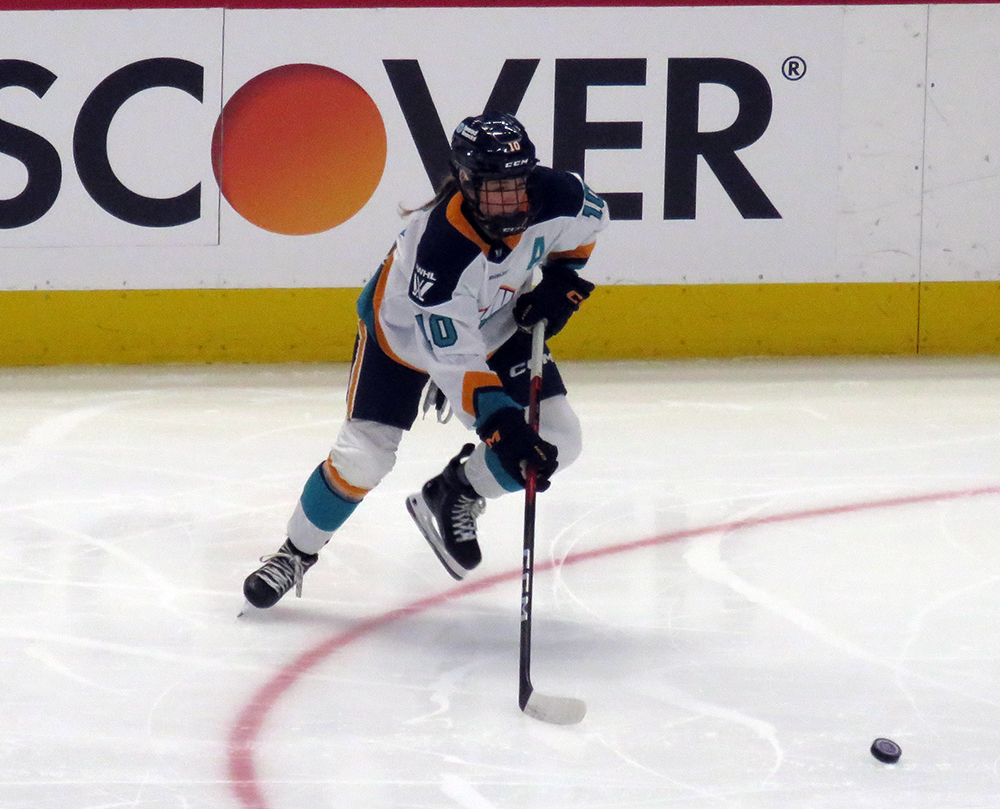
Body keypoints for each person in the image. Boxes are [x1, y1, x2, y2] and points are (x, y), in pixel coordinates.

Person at [242, 111, 609, 609]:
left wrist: (563, 281)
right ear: (465, 183)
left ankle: (456, 490)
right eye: (495, 188)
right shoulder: (437, 252)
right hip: (403, 337)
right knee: (365, 455)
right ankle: (294, 553)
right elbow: (452, 357)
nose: (511, 200)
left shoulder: (560, 195)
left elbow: (585, 231)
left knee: (561, 438)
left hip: (496, 323)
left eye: (518, 183)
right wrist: (501, 425)